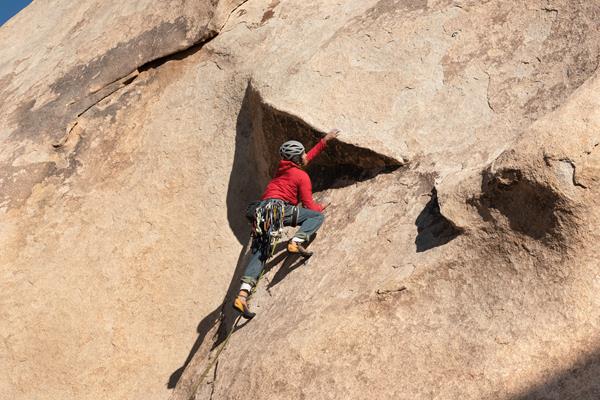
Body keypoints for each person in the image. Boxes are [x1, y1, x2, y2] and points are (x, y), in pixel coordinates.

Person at [232, 129, 341, 319]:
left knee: (260, 253)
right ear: (297, 159)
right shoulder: (301, 177)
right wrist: (322, 206)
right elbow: (309, 206)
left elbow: (306, 159)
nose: (306, 156)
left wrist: (324, 141)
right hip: (277, 209)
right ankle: (296, 242)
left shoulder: (281, 172)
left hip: (261, 211)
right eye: (302, 154)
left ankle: (242, 295)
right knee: (316, 218)